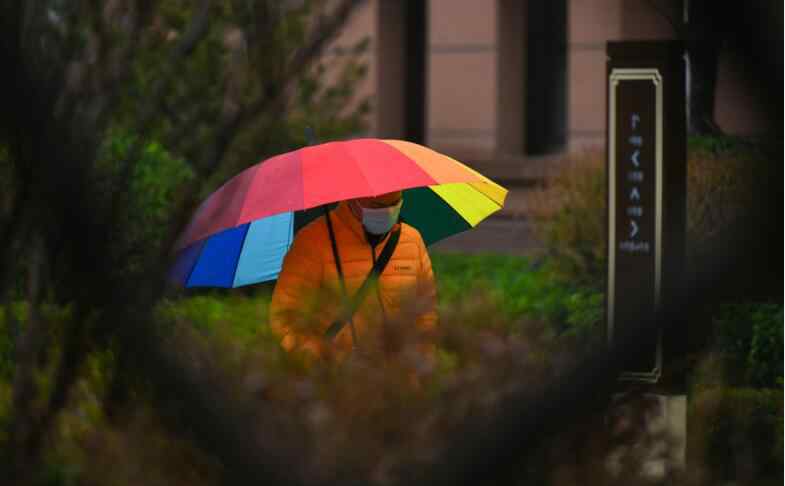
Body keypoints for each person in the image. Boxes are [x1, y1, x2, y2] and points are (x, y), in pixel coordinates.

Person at [270, 190, 438, 363]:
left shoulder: (411, 240)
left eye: (394, 205)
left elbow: (427, 312)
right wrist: (318, 362)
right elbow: (285, 318)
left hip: (399, 378)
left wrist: (420, 361)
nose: (387, 213)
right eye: (377, 207)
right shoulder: (313, 242)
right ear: (354, 199)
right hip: (337, 381)